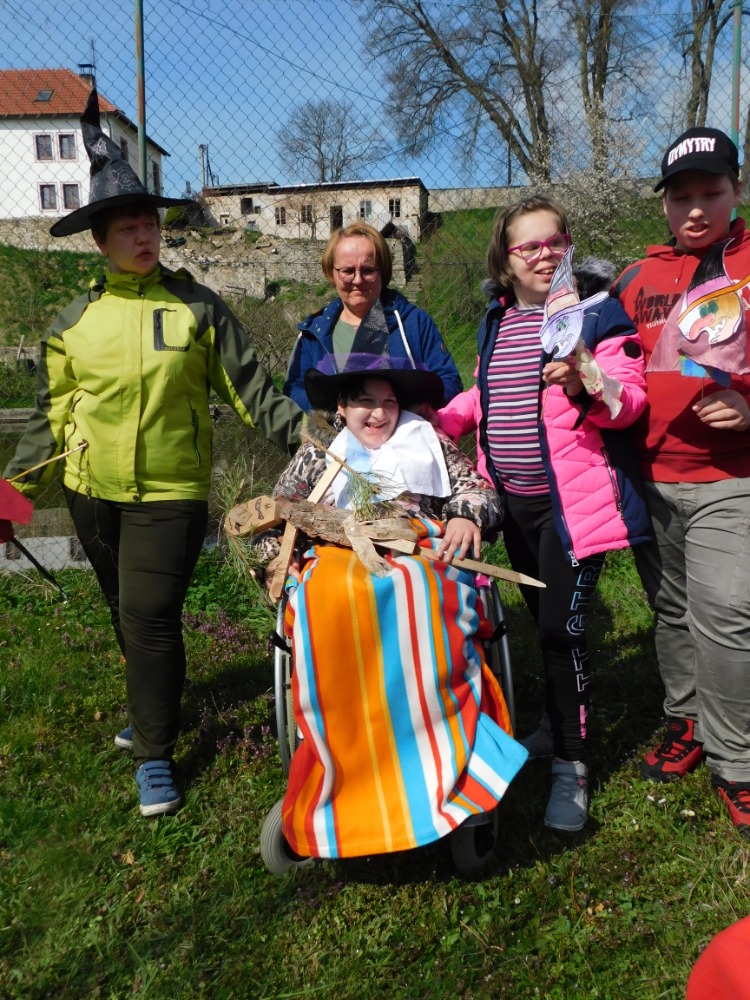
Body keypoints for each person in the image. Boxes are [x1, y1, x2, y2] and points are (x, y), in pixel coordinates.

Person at [4, 88, 303, 819]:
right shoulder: (73, 322)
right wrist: (10, 498)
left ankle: (155, 754)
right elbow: (50, 419)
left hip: (170, 492)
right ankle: (152, 705)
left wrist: (314, 441)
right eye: (127, 228)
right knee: (125, 609)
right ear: (99, 240)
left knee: (150, 613)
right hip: (89, 490)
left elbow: (252, 392)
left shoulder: (199, 307)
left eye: (150, 224)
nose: (144, 237)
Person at [256, 352, 527, 863]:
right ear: (342, 407)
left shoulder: (428, 439)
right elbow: (273, 516)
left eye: (389, 402)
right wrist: (277, 554)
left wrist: (466, 515)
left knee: (414, 592)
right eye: (365, 402)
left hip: (418, 550)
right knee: (324, 598)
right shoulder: (318, 454)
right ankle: (341, 766)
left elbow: (481, 493)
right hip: (336, 555)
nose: (379, 414)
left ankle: (442, 750)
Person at [437, 195, 651, 833]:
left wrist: (586, 376)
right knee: (543, 623)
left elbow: (630, 402)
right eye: (527, 246)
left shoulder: (597, 313)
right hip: (513, 507)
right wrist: (437, 420)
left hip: (572, 513)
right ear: (505, 261)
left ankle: (571, 766)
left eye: (554, 242)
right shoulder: (498, 320)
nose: (543, 255)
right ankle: (557, 724)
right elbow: (486, 393)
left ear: (569, 247)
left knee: (562, 632)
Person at [612, 127, 750, 838]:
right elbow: (612, 361)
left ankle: (738, 760)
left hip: (732, 477)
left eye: (711, 193)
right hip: (652, 478)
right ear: (664, 204)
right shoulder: (635, 278)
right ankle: (687, 721)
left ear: (737, 191)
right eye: (681, 197)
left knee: (725, 612)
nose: (695, 209)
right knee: (671, 610)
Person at [283, 221, 462, 410]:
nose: (358, 280)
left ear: (383, 272)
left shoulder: (414, 324)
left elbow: (449, 382)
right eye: (347, 271)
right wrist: (336, 412)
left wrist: (401, 412)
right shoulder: (314, 333)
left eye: (368, 270)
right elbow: (295, 390)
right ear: (331, 274)